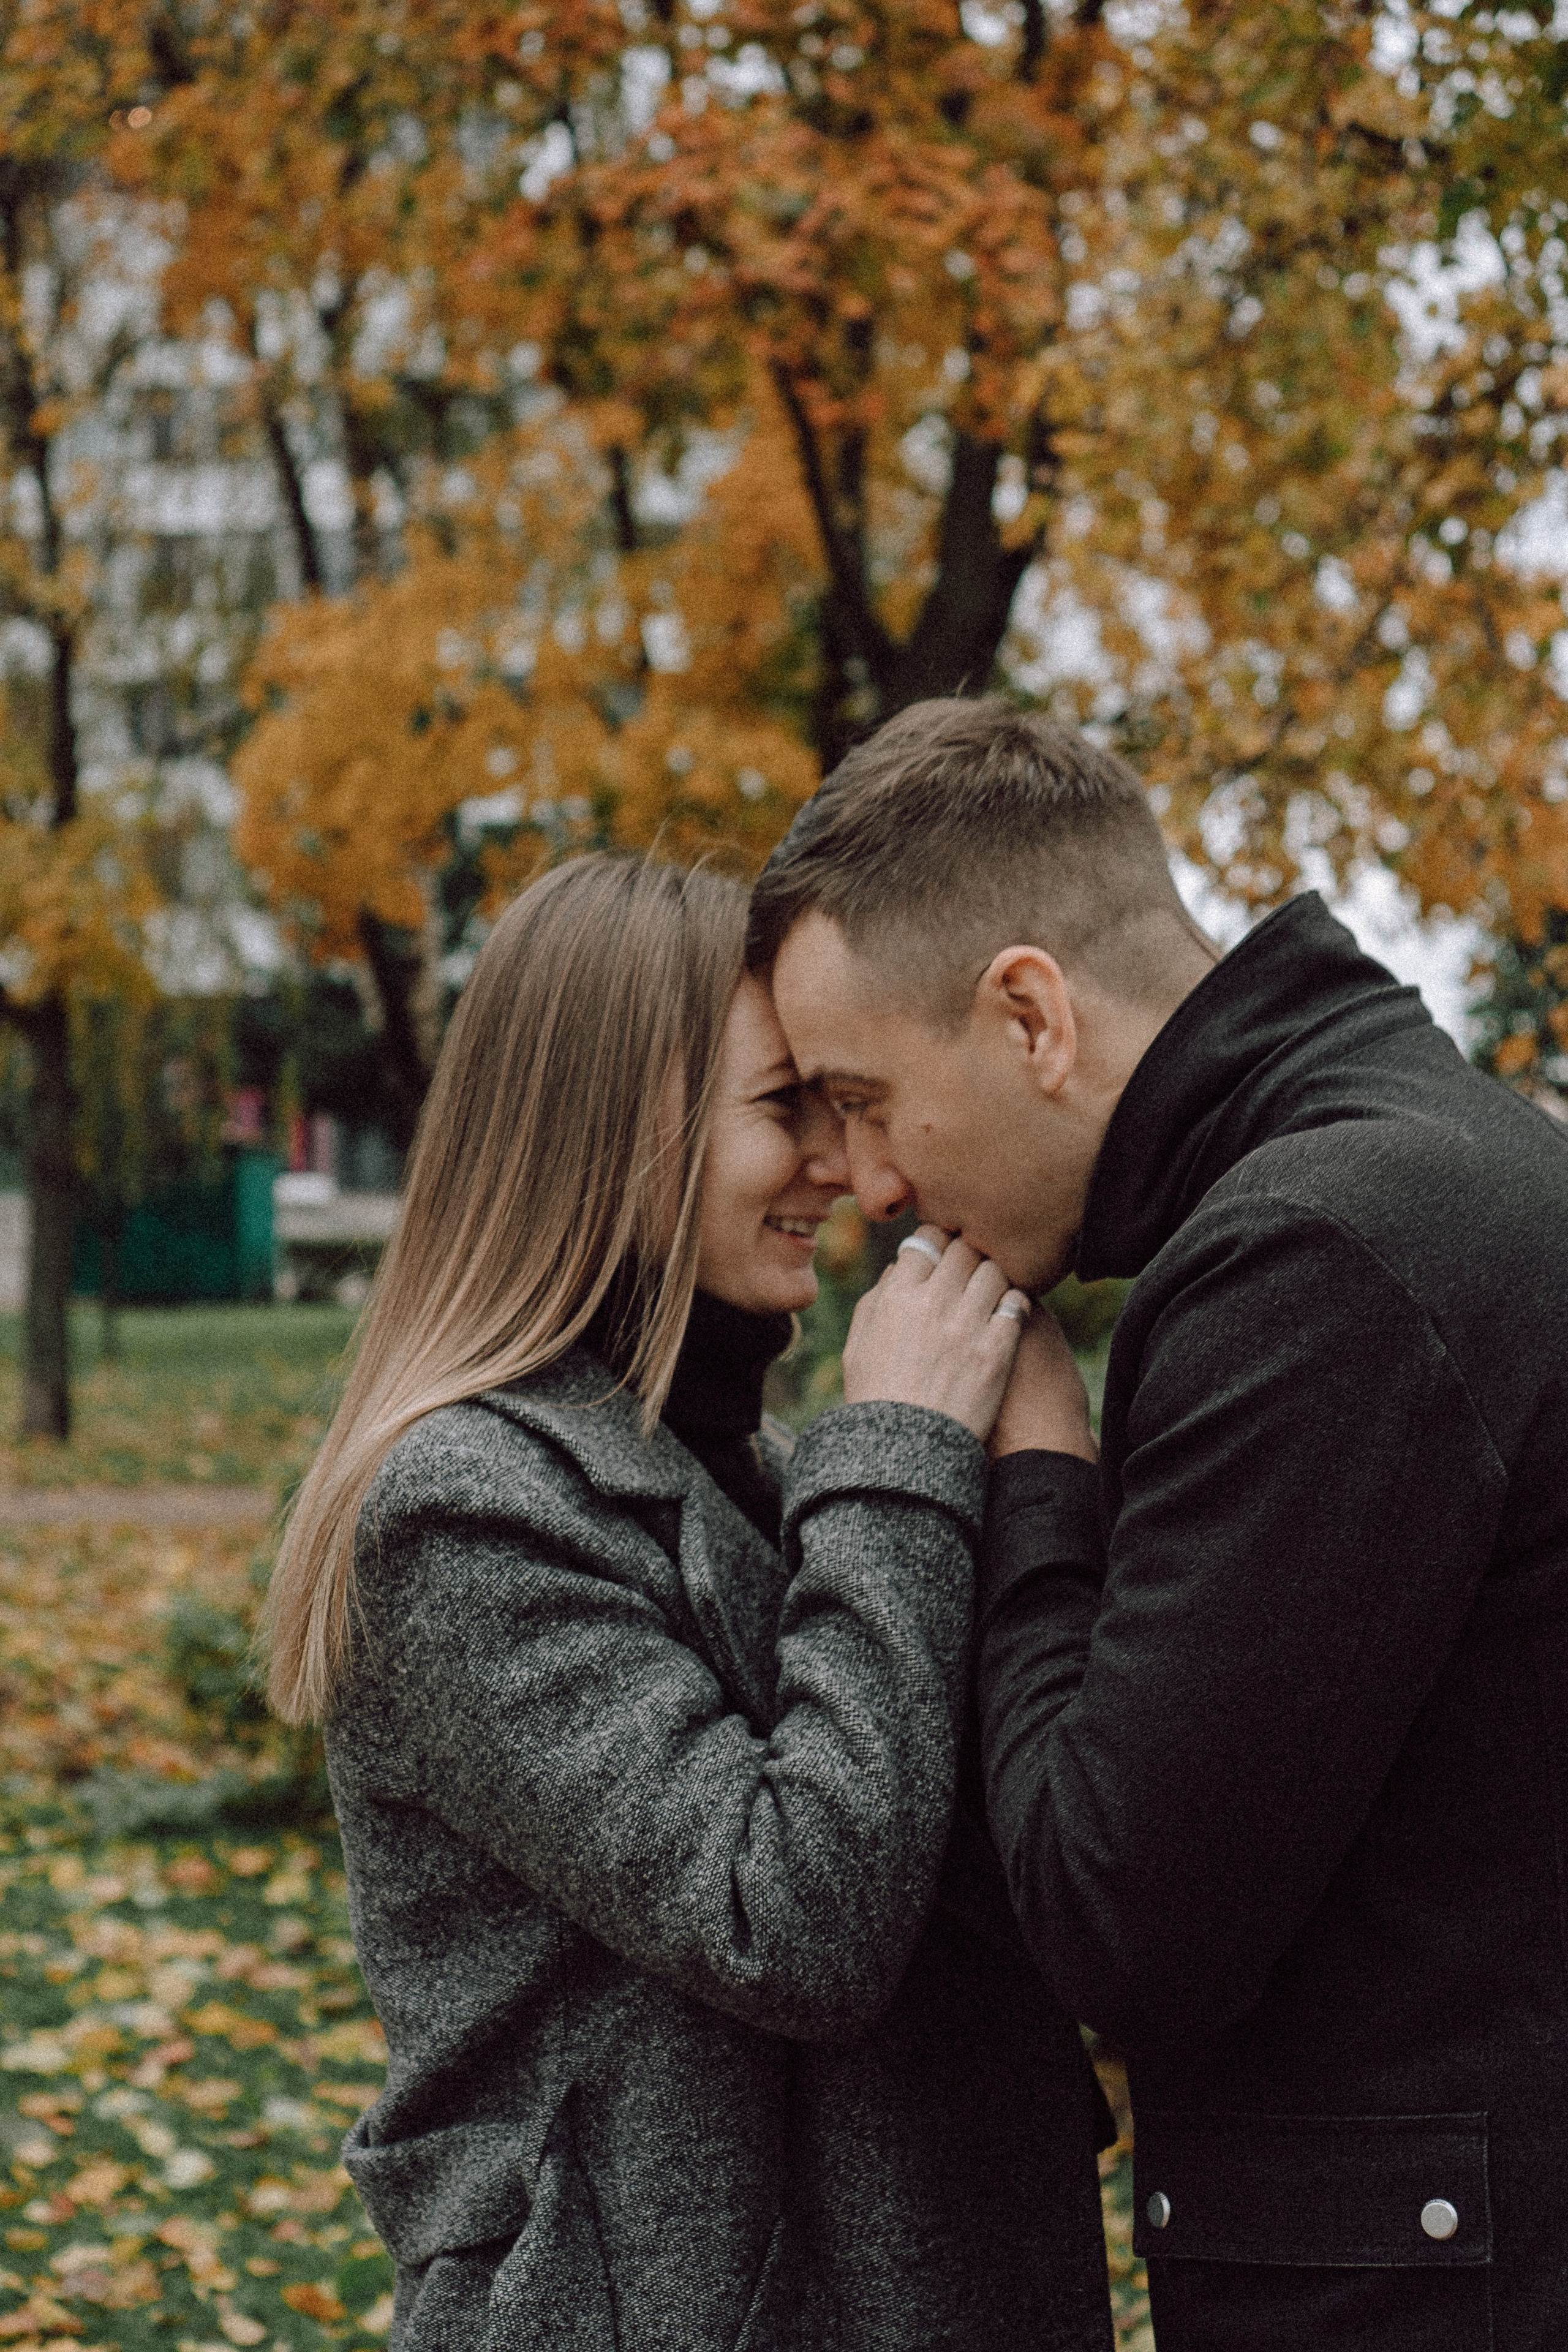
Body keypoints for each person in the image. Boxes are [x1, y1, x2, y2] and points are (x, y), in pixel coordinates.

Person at [749, 695, 1568, 2352]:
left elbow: (1117, 1925)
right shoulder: (1427, 1162)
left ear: (1032, 1014)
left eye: (865, 1095)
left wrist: (1038, 1474)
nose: (872, 1186)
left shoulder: (1317, 1258)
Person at [264, 853, 1115, 2352]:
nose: (843, 1170)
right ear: (617, 1134)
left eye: (841, 1110)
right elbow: (787, 1921)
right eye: (784, 1108)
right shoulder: (468, 1506)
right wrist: (908, 1457)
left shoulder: (773, 1479)